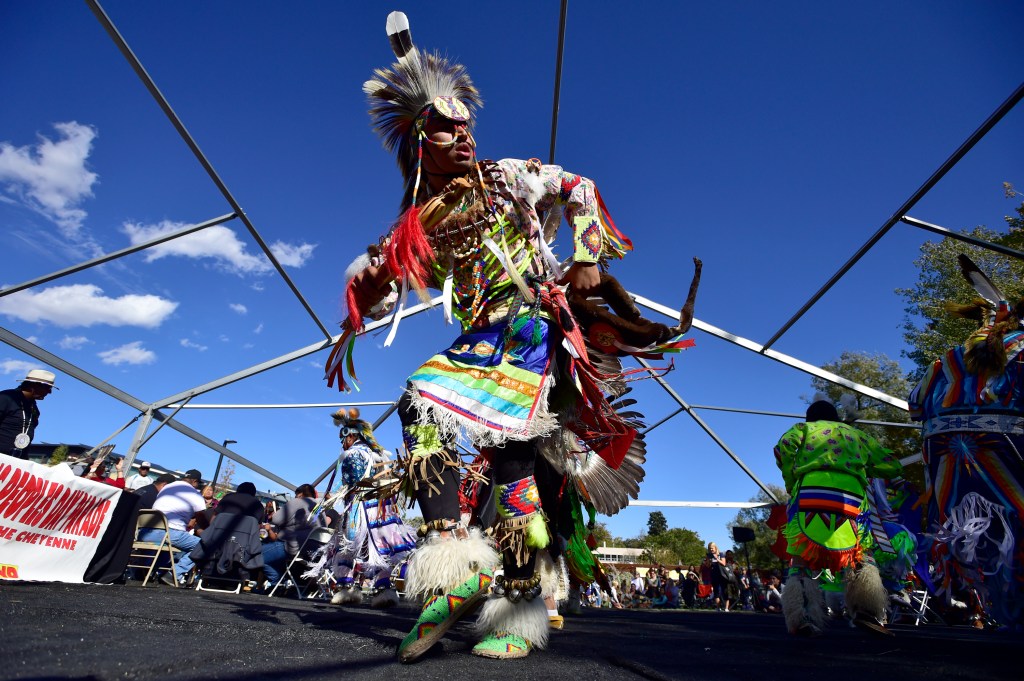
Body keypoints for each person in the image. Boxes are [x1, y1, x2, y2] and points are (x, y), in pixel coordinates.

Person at [335, 12, 664, 663]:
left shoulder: (510, 176)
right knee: (417, 402)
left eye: (465, 128)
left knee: (515, 464)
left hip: (533, 334)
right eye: (445, 130)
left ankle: (517, 604)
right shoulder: (424, 218)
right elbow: (393, 284)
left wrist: (588, 249)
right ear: (420, 142)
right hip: (481, 343)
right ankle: (453, 562)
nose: (461, 138)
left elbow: (579, 186)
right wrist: (365, 288)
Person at [908, 255, 1024, 630]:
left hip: (949, 461)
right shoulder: (1019, 348)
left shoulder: (947, 360)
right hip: (1006, 449)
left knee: (971, 533)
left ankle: (989, 606)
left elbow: (915, 405)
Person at [774, 398, 901, 636]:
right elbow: (891, 465)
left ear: (809, 418)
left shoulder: (802, 430)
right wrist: (862, 466)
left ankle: (800, 617)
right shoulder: (856, 435)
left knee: (801, 558)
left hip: (809, 493)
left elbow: (783, 449)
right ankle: (868, 610)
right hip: (850, 497)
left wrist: (791, 480)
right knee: (860, 553)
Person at [311, 409, 416, 609]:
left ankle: (347, 590)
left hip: (359, 507)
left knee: (347, 545)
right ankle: (384, 590)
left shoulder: (352, 455)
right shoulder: (376, 455)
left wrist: (332, 496)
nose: (342, 444)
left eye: (343, 439)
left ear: (351, 436)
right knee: (377, 547)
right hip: (379, 508)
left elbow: (352, 482)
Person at [141, 468, 206, 586]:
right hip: (168, 532)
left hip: (144, 530)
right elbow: (201, 516)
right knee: (204, 545)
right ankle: (174, 574)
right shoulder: (193, 492)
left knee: (171, 546)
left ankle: (153, 572)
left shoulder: (167, 487)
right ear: (195, 481)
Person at [261, 483, 326, 590]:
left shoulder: (298, 501)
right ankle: (288, 585)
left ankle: (277, 583)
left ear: (300, 494)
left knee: (257, 554)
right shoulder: (320, 507)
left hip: (293, 546)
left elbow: (276, 519)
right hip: (314, 551)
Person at [0, 369, 56, 459]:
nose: (49, 392)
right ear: (34, 385)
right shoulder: (6, 398)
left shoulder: (34, 409)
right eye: (48, 387)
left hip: (14, 462)